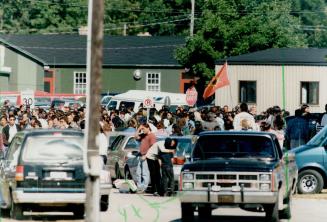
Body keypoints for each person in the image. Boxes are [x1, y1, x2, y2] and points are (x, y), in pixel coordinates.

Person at [135, 123, 156, 193]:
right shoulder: (143, 135)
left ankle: (143, 188)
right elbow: (135, 137)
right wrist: (138, 129)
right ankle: (139, 187)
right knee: (138, 173)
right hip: (140, 155)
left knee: (145, 173)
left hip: (146, 157)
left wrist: (146, 155)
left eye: (143, 129)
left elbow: (153, 147)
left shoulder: (152, 136)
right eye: (142, 129)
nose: (142, 130)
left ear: (148, 128)